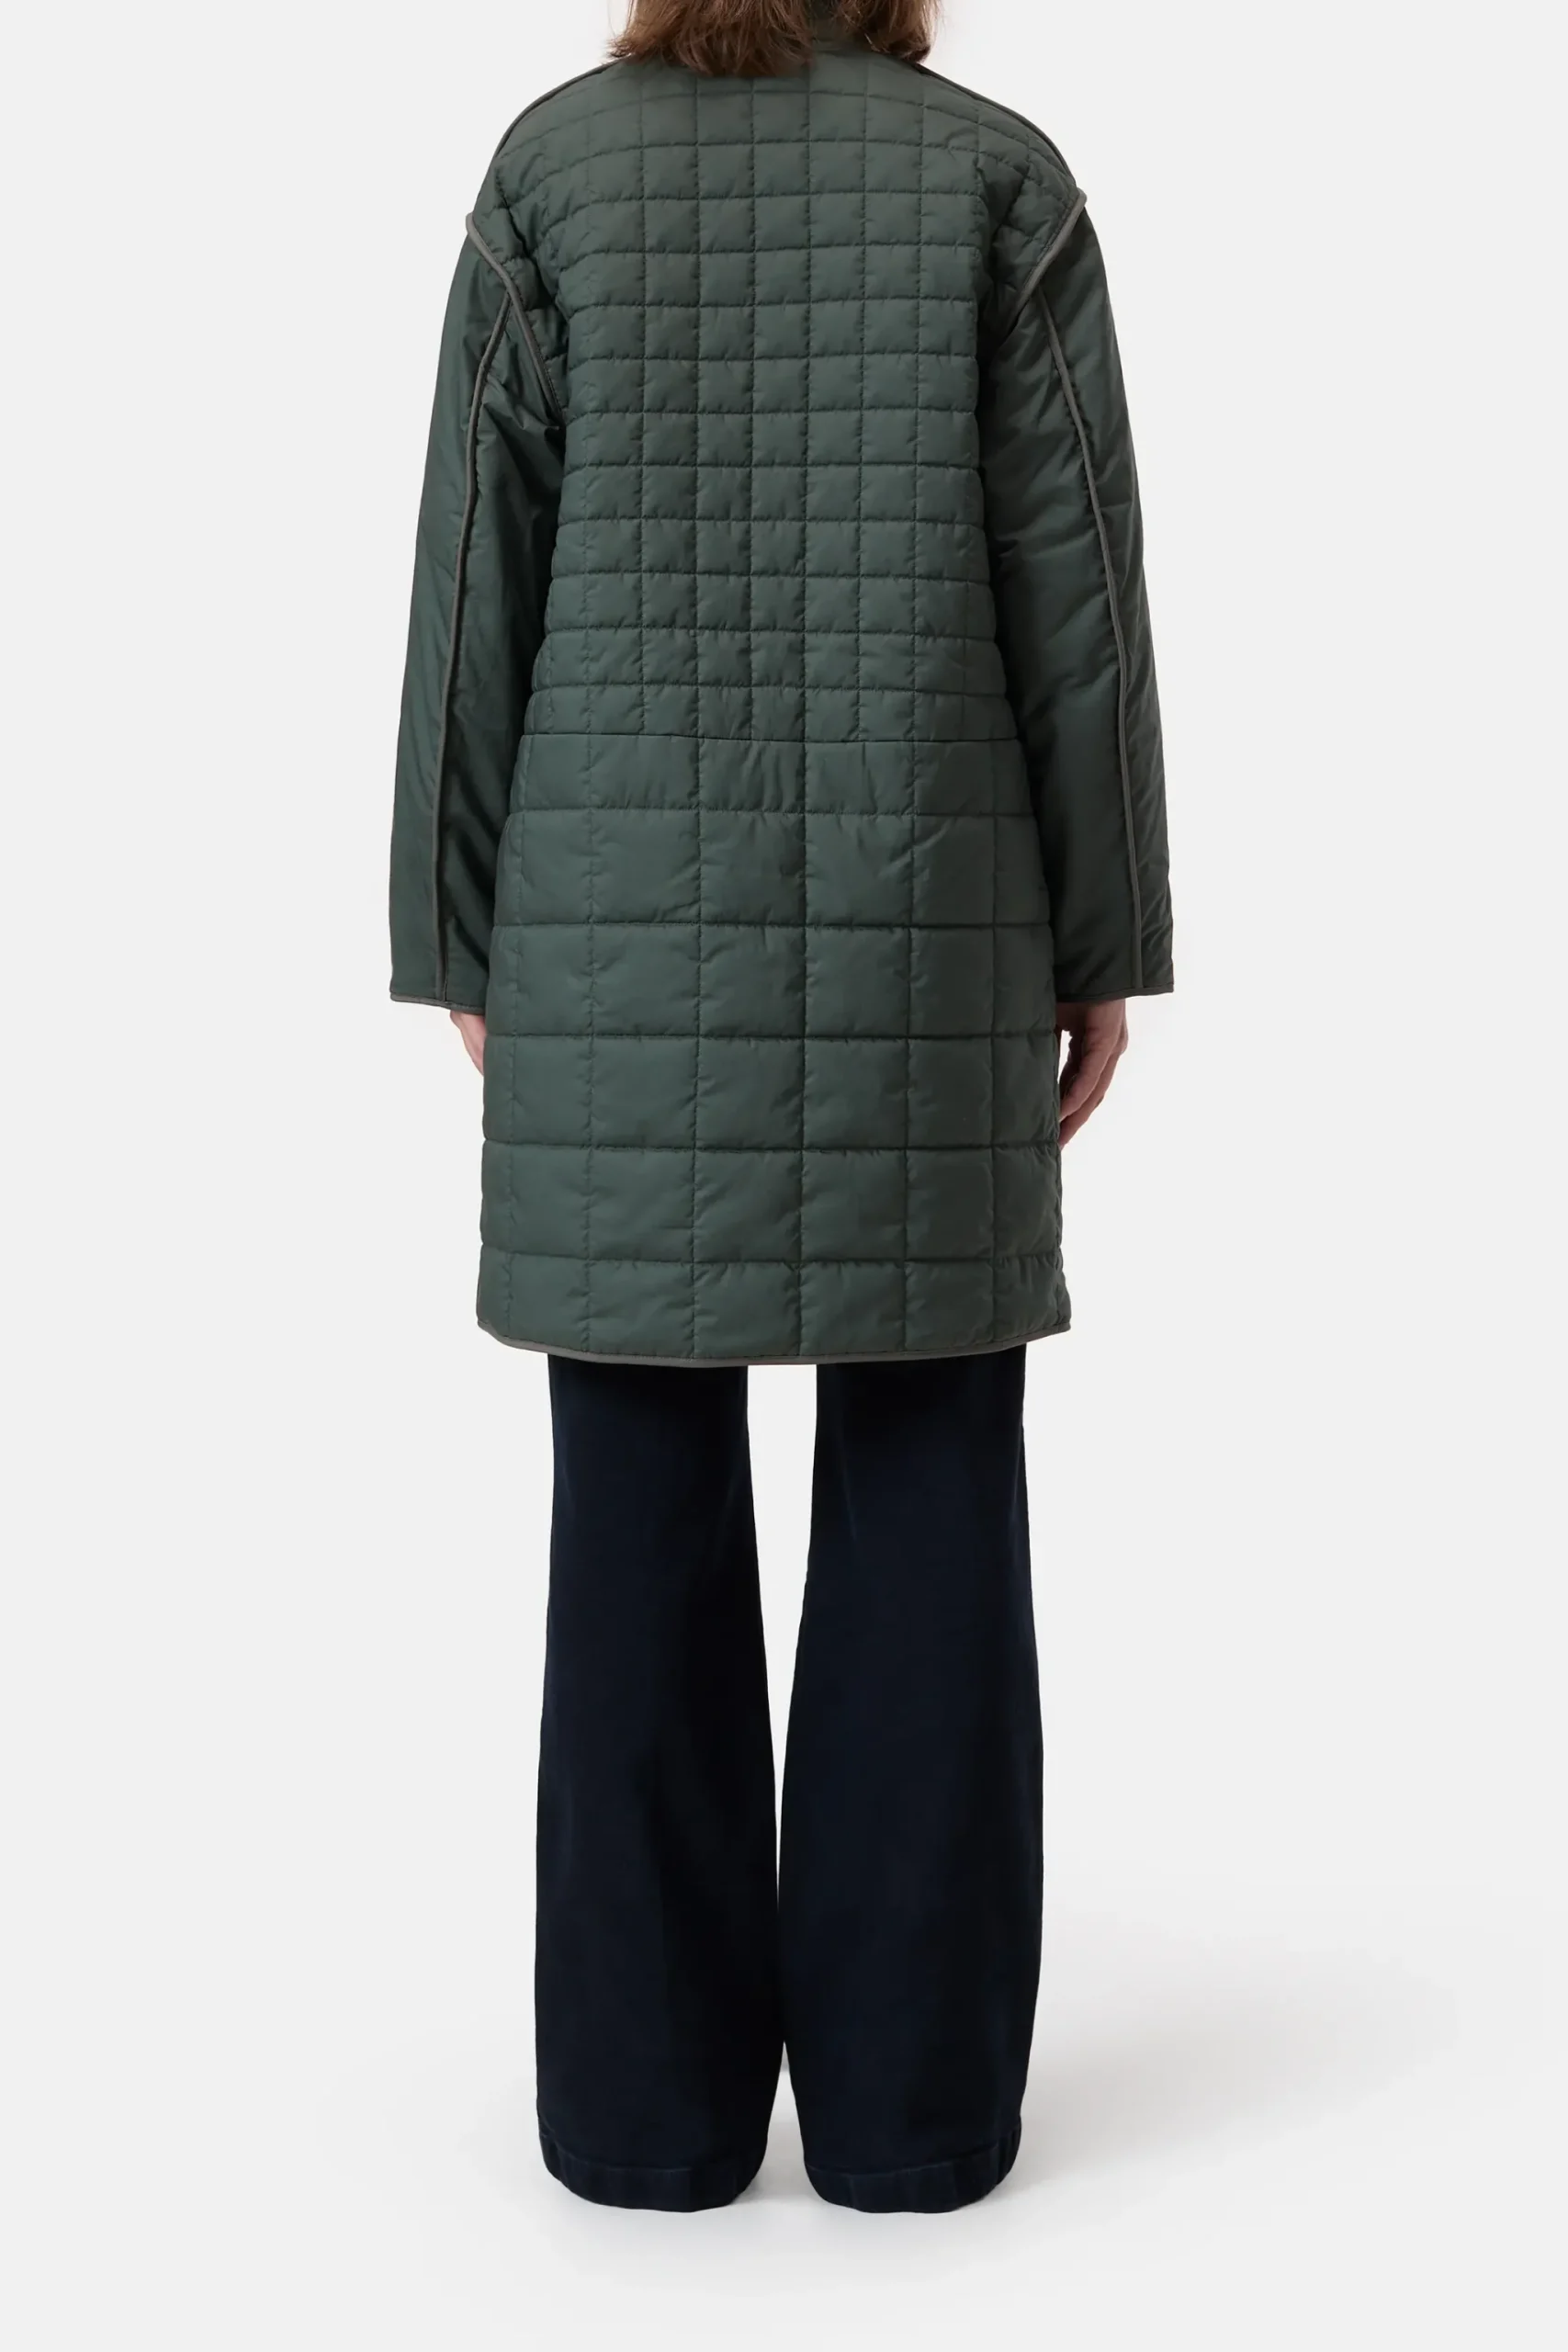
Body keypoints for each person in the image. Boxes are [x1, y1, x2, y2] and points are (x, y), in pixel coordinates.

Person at [389, 0, 1171, 2213]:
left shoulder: (550, 171)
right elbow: (1080, 600)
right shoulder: (997, 178)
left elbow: (470, 581)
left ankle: (643, 2119)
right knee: (931, 1496)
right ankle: (916, 2120)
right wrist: (1099, 935)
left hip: (609, 934)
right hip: (931, 922)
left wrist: (462, 938)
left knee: (631, 1516)